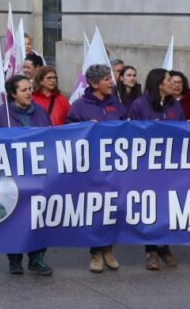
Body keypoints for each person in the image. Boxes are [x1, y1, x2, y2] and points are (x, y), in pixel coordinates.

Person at [0, 74, 53, 275]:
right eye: (23, 90)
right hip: (10, 176)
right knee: (14, 215)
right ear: (13, 94)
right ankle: (14, 258)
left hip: (36, 174)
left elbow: (51, 137)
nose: (29, 92)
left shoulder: (39, 112)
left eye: (30, 88)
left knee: (37, 215)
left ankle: (37, 257)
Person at [66, 64, 125, 273]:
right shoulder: (80, 106)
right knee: (95, 209)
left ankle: (108, 248)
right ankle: (95, 253)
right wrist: (84, 128)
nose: (112, 81)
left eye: (111, 78)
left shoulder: (116, 104)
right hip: (91, 167)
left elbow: (127, 128)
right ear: (94, 83)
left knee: (112, 207)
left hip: (114, 166)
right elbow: (68, 132)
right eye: (107, 79)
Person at [127, 68, 183, 269]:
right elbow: (131, 133)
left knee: (166, 206)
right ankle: (151, 251)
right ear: (159, 83)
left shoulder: (175, 105)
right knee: (149, 207)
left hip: (169, 166)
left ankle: (165, 247)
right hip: (146, 166)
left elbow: (183, 130)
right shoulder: (139, 105)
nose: (173, 83)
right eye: (169, 80)